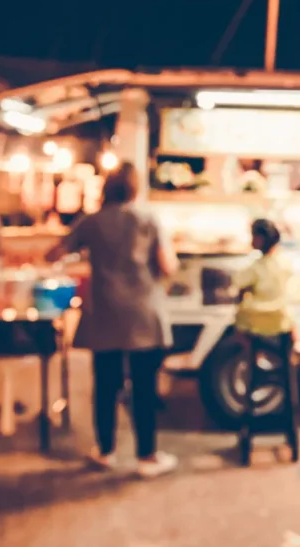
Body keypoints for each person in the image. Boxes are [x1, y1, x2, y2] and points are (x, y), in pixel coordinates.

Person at [47, 162, 179, 478]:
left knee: (105, 385)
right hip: (143, 313)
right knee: (144, 387)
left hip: (104, 312)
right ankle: (146, 456)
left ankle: (105, 450)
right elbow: (168, 266)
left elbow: (55, 253)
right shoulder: (148, 219)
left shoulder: (91, 222)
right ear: (135, 188)